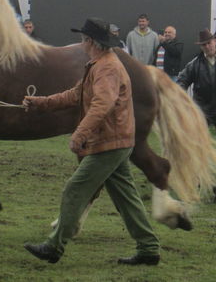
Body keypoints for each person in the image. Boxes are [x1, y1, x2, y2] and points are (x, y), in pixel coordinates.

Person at [21, 18, 160, 265]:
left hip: (109, 142)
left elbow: (102, 105)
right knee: (126, 198)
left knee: (75, 189)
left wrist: (80, 134)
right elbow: (75, 95)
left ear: (91, 42)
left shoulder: (106, 68)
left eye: (83, 38)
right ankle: (149, 249)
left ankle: (54, 246)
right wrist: (40, 103)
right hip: (116, 140)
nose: (80, 42)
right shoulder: (98, 65)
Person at [177, 29, 216, 201]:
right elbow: (182, 81)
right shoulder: (194, 65)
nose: (207, 46)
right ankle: (195, 179)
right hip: (202, 111)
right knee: (196, 146)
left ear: (215, 41)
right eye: (203, 45)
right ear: (201, 47)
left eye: (209, 43)